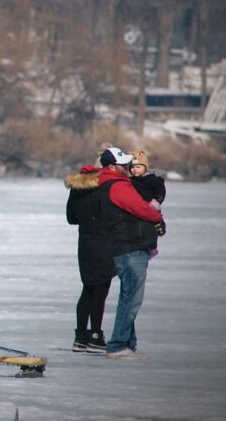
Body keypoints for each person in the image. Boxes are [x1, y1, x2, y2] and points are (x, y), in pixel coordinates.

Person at [97, 146, 164, 360]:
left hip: (128, 247)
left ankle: (127, 344)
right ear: (111, 167)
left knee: (131, 297)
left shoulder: (116, 184)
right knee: (131, 299)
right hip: (130, 248)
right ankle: (117, 345)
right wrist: (158, 217)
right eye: (123, 163)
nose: (128, 166)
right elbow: (142, 209)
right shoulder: (118, 187)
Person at [65, 162, 114, 354]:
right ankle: (95, 336)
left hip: (84, 242)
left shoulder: (76, 190)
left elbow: (71, 218)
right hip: (103, 242)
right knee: (100, 290)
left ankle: (80, 337)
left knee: (88, 289)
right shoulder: (102, 189)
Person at [129, 150, 167, 257]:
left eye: (138, 167)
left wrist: (157, 201)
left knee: (155, 226)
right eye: (133, 167)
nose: (135, 170)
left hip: (151, 205)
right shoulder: (130, 180)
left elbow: (161, 191)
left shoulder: (153, 179)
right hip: (138, 207)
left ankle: (153, 247)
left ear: (145, 167)